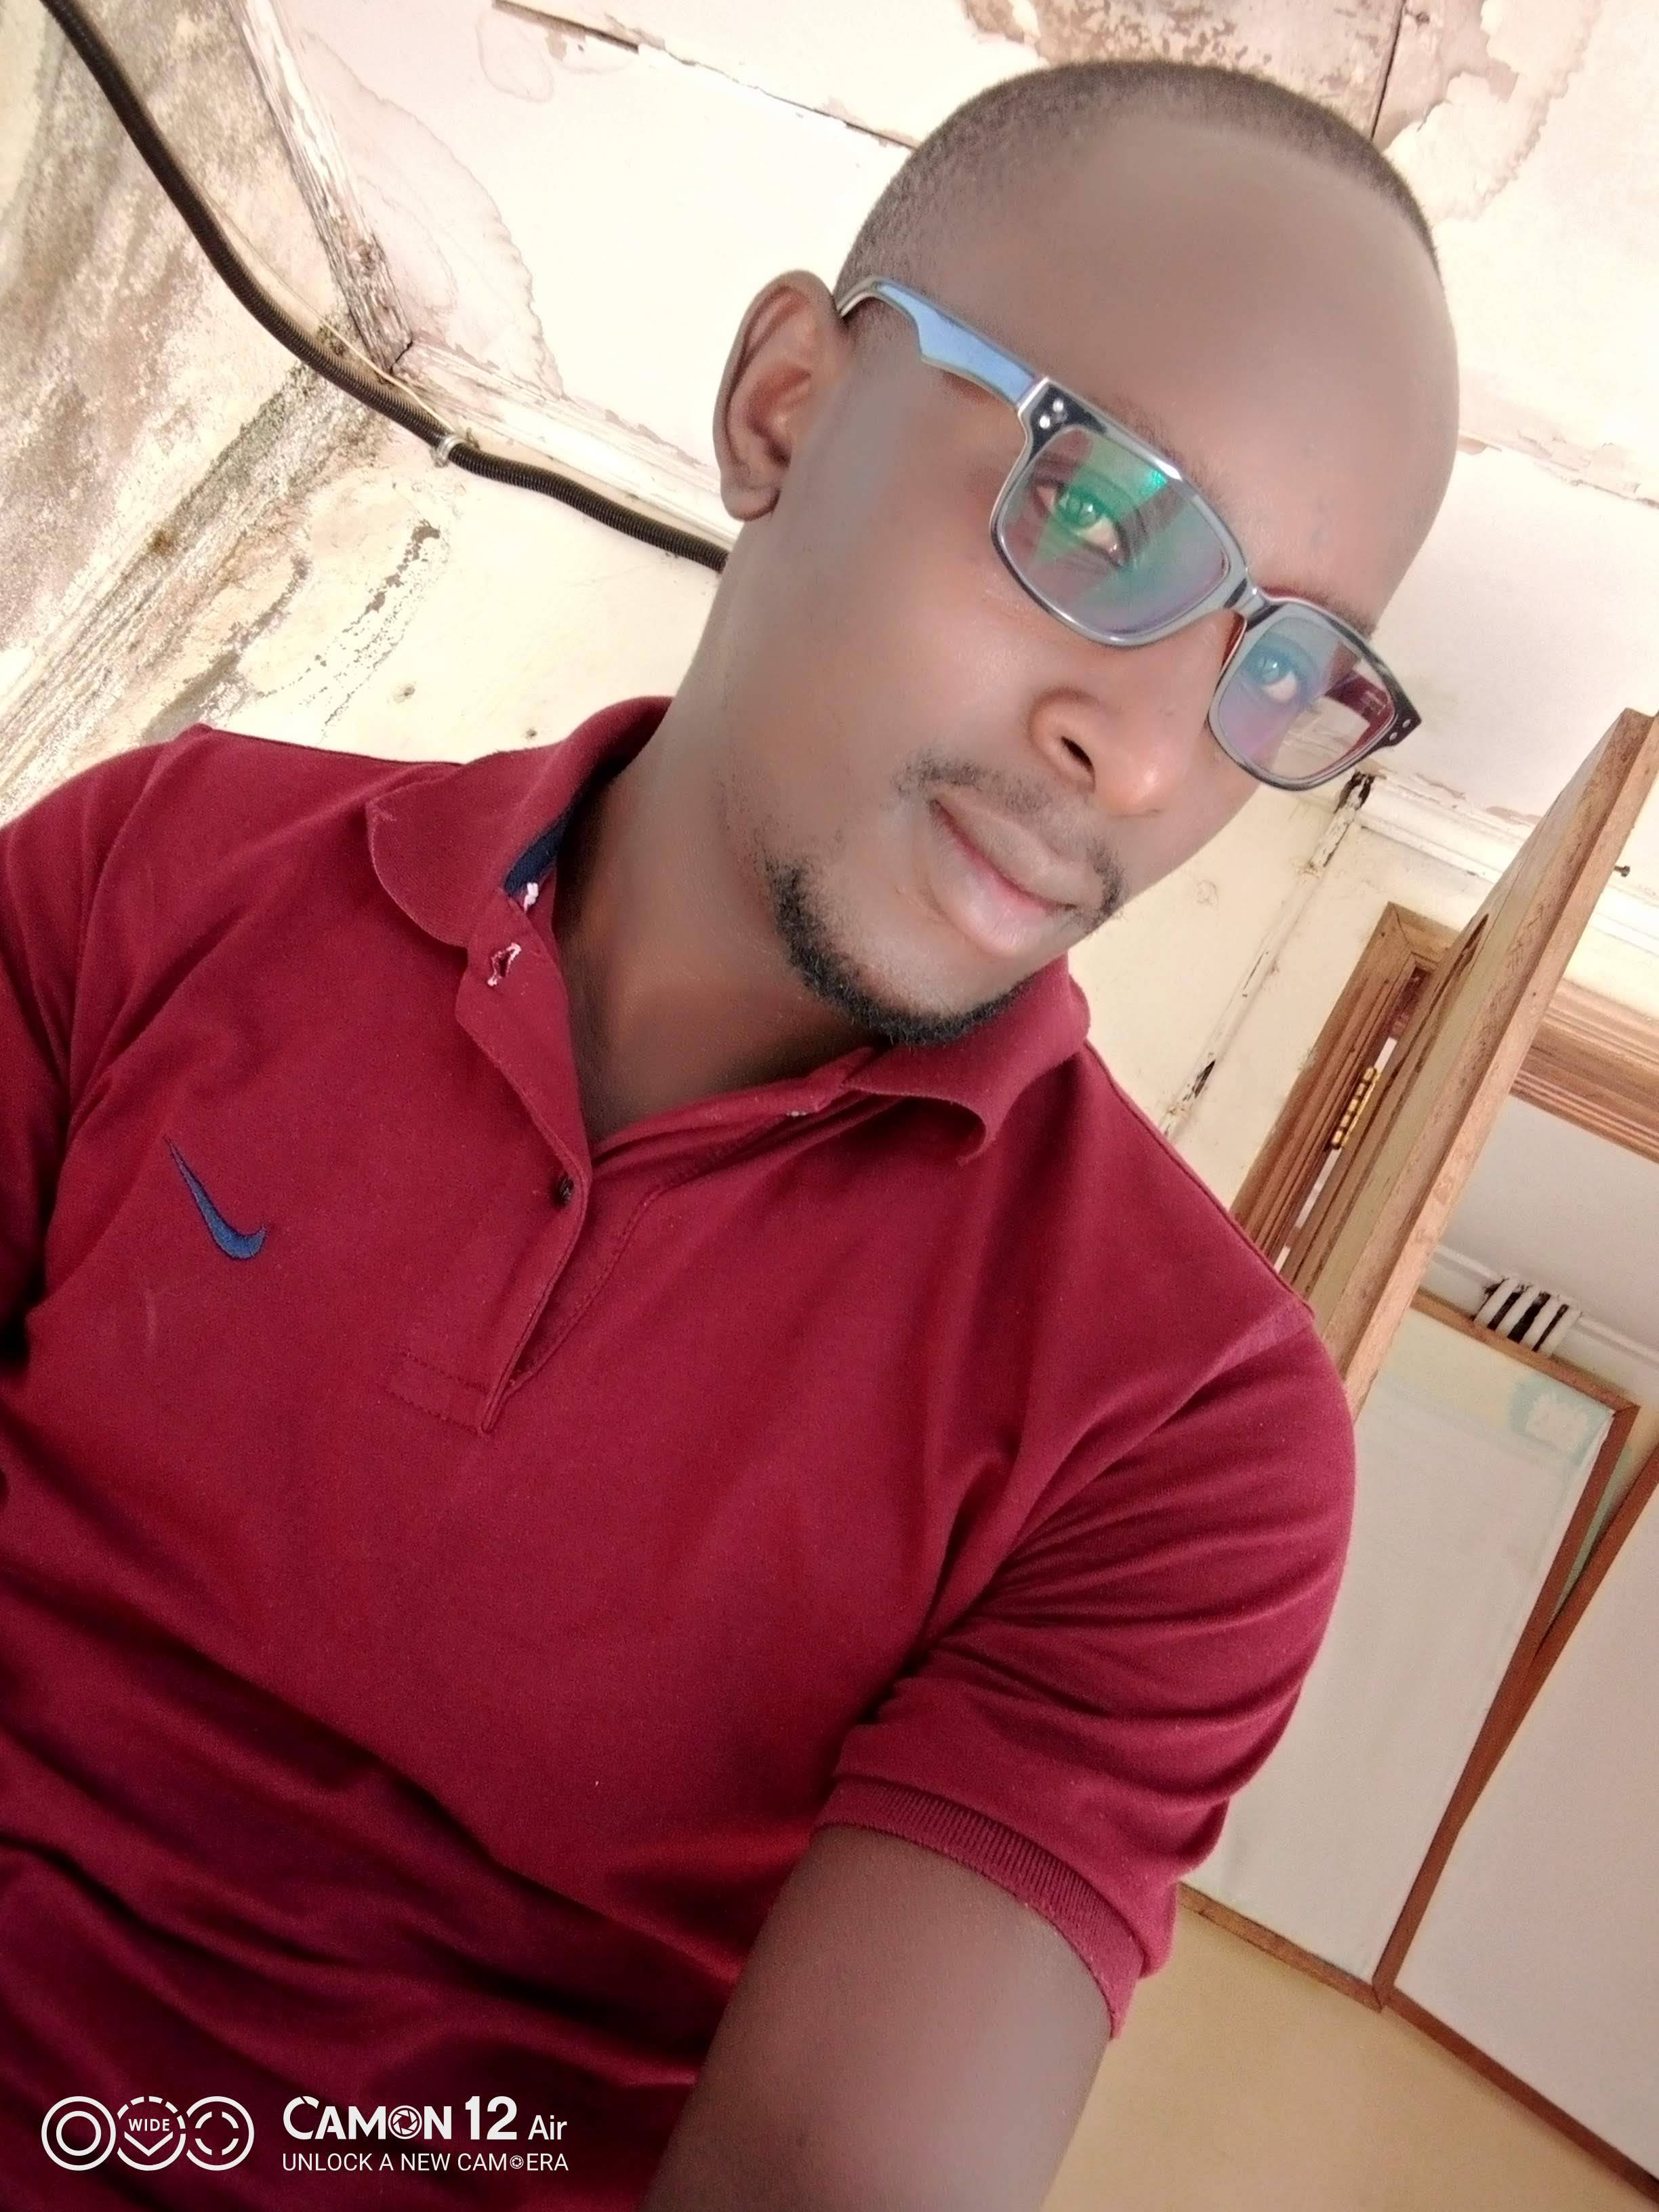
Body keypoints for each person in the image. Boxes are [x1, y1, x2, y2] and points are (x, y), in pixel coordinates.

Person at [0, 55, 1457, 2212]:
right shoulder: (169, 869)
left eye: (1285, 672)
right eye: (1101, 520)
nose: (1152, 763)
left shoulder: (1181, 1427)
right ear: (784, 406)